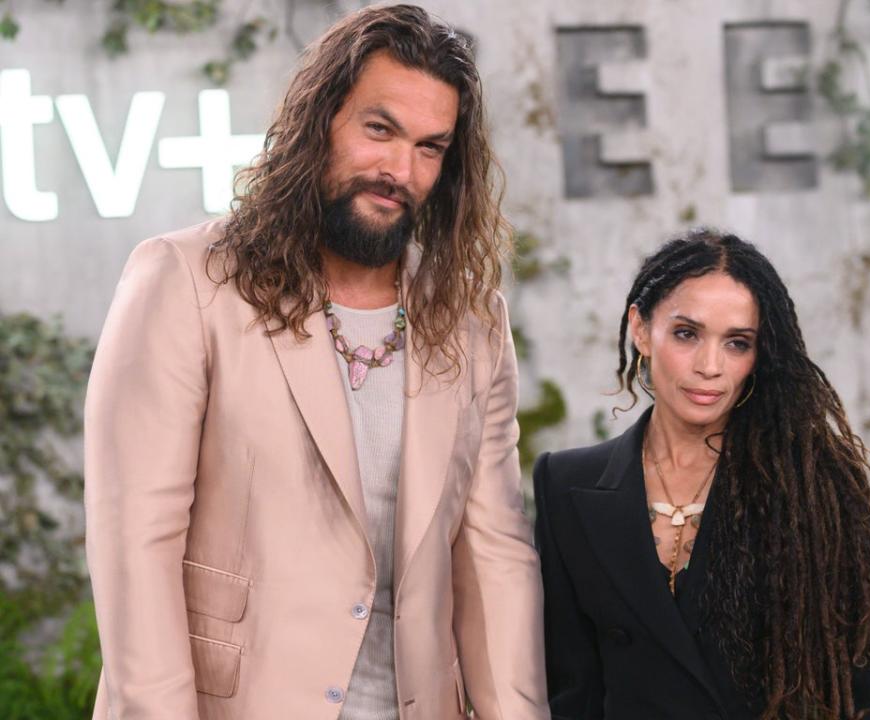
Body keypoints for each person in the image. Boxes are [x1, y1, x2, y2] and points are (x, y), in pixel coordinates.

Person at [84, 5, 549, 719]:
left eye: (430, 147)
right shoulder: (185, 282)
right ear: (322, 119)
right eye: (380, 129)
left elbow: (495, 558)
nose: (401, 170)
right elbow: (135, 546)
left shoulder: (471, 319)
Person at [534, 229, 870, 719]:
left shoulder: (803, 487)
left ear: (759, 356)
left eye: (737, 343)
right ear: (641, 329)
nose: (710, 366)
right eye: (687, 334)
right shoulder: (565, 484)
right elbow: (572, 690)